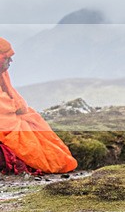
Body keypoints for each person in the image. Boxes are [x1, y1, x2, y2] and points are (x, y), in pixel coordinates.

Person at [0, 38, 78, 175]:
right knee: (29, 141)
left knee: (35, 124)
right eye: (8, 58)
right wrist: (17, 106)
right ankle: (52, 162)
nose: (10, 62)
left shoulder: (3, 73)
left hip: (10, 116)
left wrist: (18, 106)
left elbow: (12, 96)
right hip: (4, 121)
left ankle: (59, 160)